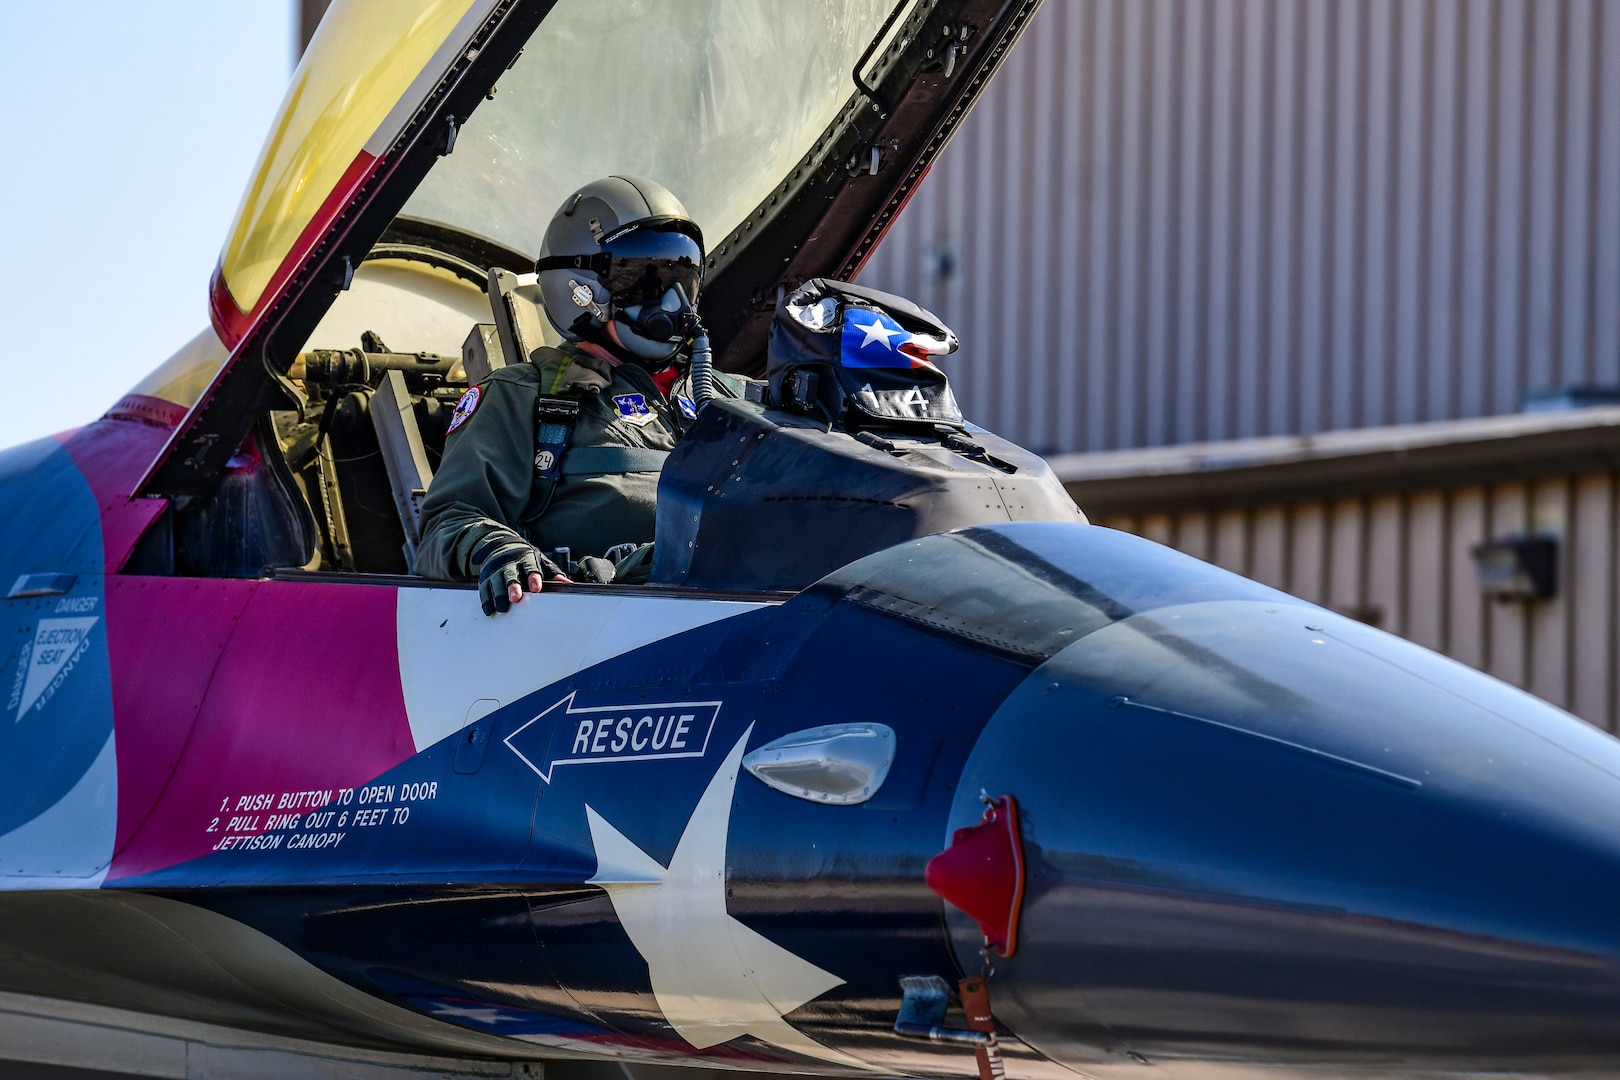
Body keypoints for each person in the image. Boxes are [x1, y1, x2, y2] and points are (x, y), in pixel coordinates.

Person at [415, 176, 740, 615]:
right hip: (619, 629)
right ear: (580, 288)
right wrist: (501, 553)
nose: (672, 299)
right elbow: (446, 526)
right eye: (642, 278)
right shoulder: (524, 398)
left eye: (681, 275)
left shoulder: (734, 398)